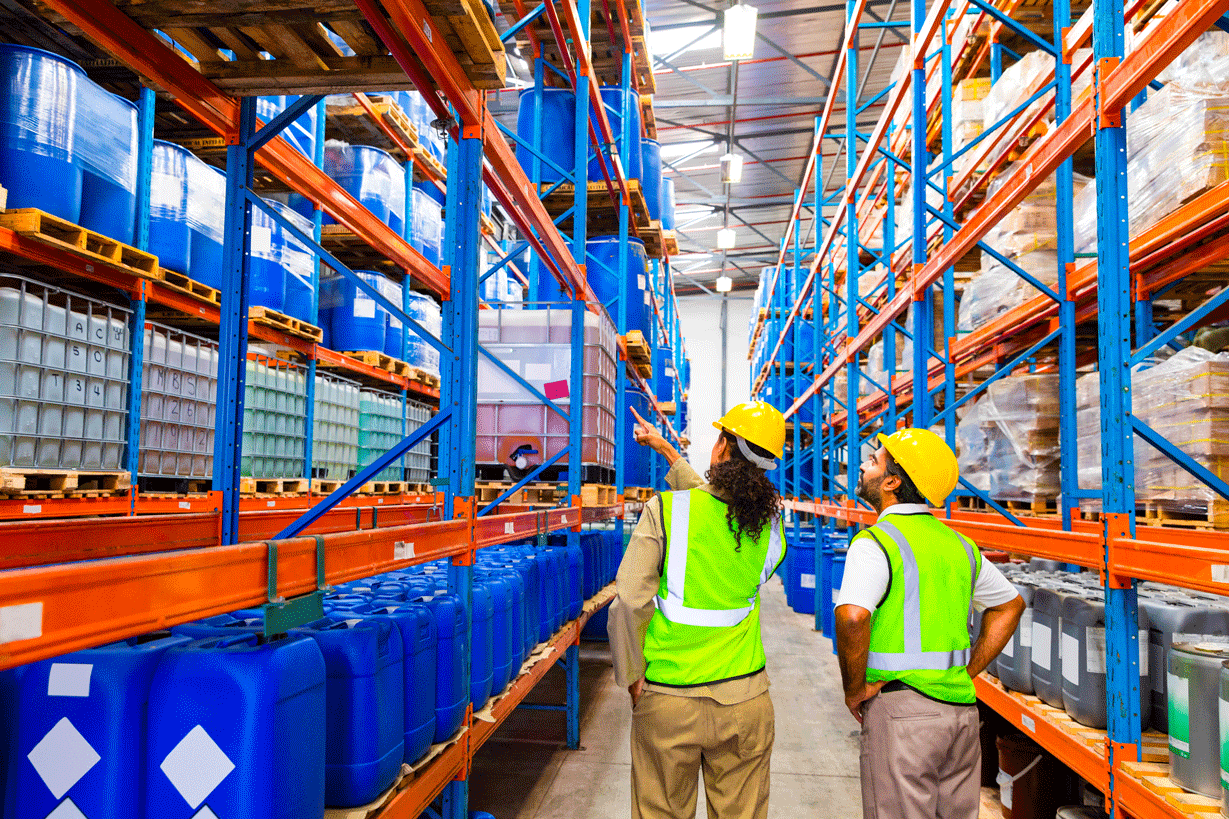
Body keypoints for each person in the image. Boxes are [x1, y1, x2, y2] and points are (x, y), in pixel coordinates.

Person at [609, 401, 788, 819]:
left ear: (721, 446)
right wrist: (668, 451)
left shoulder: (666, 511)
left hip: (670, 699)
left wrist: (632, 677)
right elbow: (717, 505)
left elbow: (628, 605)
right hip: (745, 701)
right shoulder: (769, 526)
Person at [835, 428, 1025, 819]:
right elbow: (1010, 605)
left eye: (873, 462)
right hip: (960, 717)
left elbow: (853, 616)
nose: (863, 467)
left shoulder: (876, 543)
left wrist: (854, 690)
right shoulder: (959, 544)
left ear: (892, 482)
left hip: (903, 715)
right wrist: (965, 672)